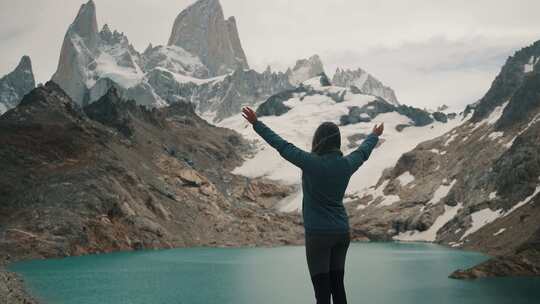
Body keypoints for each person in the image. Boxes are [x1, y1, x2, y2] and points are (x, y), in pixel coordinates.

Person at [241, 107, 383, 304]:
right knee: (338, 287)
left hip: (318, 235)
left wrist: (257, 124)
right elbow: (363, 152)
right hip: (342, 232)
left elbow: (281, 145)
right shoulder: (346, 164)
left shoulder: (311, 162)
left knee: (322, 293)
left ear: (319, 140)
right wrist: (374, 135)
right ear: (337, 141)